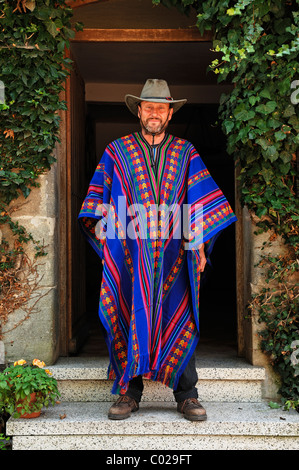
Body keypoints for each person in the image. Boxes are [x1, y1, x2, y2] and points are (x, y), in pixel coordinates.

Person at [78, 79, 237, 421]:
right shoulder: (117, 151)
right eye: (148, 107)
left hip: (175, 254)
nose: (154, 113)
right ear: (138, 110)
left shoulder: (185, 152)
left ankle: (187, 394)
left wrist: (199, 245)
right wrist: (108, 241)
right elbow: (97, 202)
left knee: (180, 314)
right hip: (131, 254)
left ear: (169, 113)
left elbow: (200, 201)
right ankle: (129, 392)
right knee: (128, 311)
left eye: (160, 108)